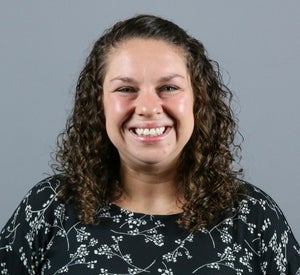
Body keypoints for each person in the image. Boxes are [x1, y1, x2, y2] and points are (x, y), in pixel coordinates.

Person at [0, 14, 299, 275]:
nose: (147, 107)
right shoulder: (49, 207)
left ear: (198, 100)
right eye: (126, 89)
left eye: (169, 88)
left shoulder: (253, 217)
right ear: (98, 105)